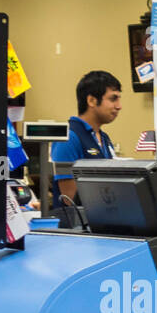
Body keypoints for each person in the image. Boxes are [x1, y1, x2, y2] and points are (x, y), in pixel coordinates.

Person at [51, 70, 121, 211]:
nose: (119, 106)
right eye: (113, 99)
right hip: (76, 226)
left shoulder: (104, 138)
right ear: (91, 101)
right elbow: (69, 198)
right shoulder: (69, 136)